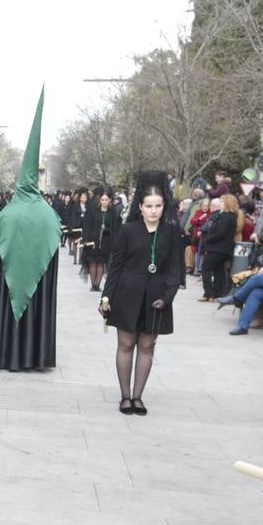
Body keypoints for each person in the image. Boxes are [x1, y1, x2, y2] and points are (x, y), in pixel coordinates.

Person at [0, 90, 63, 372]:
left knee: (6, 301)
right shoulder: (49, 214)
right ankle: (32, 355)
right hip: (36, 290)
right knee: (33, 300)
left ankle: (0, 349)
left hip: (6, 289)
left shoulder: (7, 212)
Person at [100, 172, 182, 415]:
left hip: (157, 296)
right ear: (140, 207)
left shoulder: (171, 232)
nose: (153, 211)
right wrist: (106, 297)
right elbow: (115, 267)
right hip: (127, 293)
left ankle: (138, 397)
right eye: (149, 206)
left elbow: (175, 268)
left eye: (158, 206)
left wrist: (167, 297)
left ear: (163, 206)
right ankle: (125, 397)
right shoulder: (129, 230)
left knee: (147, 346)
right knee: (126, 344)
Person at [198, 196, 237, 301]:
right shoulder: (231, 216)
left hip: (217, 248)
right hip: (223, 249)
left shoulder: (225, 216)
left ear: (227, 203)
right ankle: (216, 293)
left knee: (205, 268)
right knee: (218, 270)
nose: (220, 203)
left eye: (222, 201)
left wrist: (208, 239)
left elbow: (220, 232)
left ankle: (208, 293)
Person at [81, 190, 121, 292]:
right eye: (102, 199)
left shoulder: (112, 212)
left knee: (101, 262)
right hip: (93, 241)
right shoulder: (93, 211)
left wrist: (107, 230)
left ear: (109, 201)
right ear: (100, 200)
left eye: (106, 200)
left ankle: (97, 285)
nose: (104, 201)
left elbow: (115, 228)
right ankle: (93, 284)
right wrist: (86, 239)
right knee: (93, 262)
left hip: (106, 241)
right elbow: (87, 226)